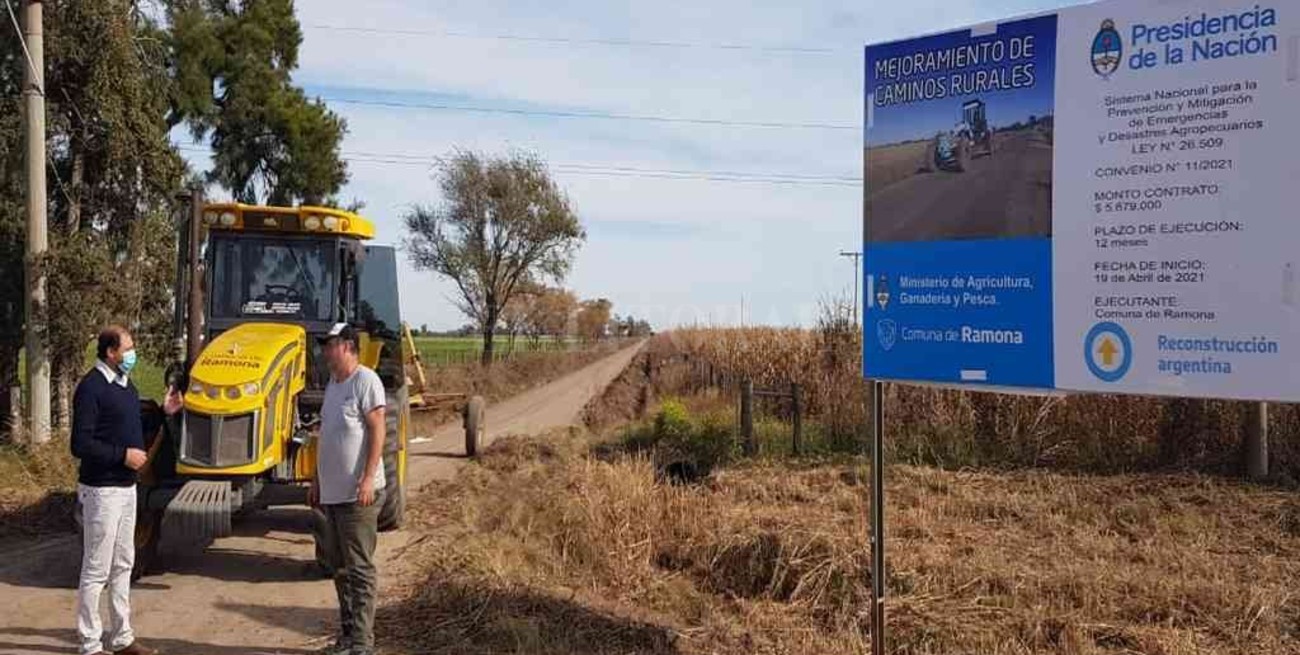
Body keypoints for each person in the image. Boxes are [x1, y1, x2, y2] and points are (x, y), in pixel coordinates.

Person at [71, 325, 182, 655]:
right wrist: (123, 455)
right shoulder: (91, 388)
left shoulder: (125, 386)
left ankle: (122, 637)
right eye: (128, 348)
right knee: (96, 569)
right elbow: (80, 443)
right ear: (111, 352)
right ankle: (89, 643)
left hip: (126, 489)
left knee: (123, 564)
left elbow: (131, 425)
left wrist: (164, 412)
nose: (133, 354)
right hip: (101, 491)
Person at [310, 323, 387, 655]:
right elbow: (327, 436)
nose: (325, 350)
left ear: (348, 347)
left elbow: (377, 430)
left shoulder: (365, 380)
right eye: (325, 345)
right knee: (339, 569)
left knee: (359, 569)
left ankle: (362, 644)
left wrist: (368, 478)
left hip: (358, 496)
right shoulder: (333, 384)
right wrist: (316, 479)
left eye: (330, 345)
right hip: (331, 493)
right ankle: (347, 636)